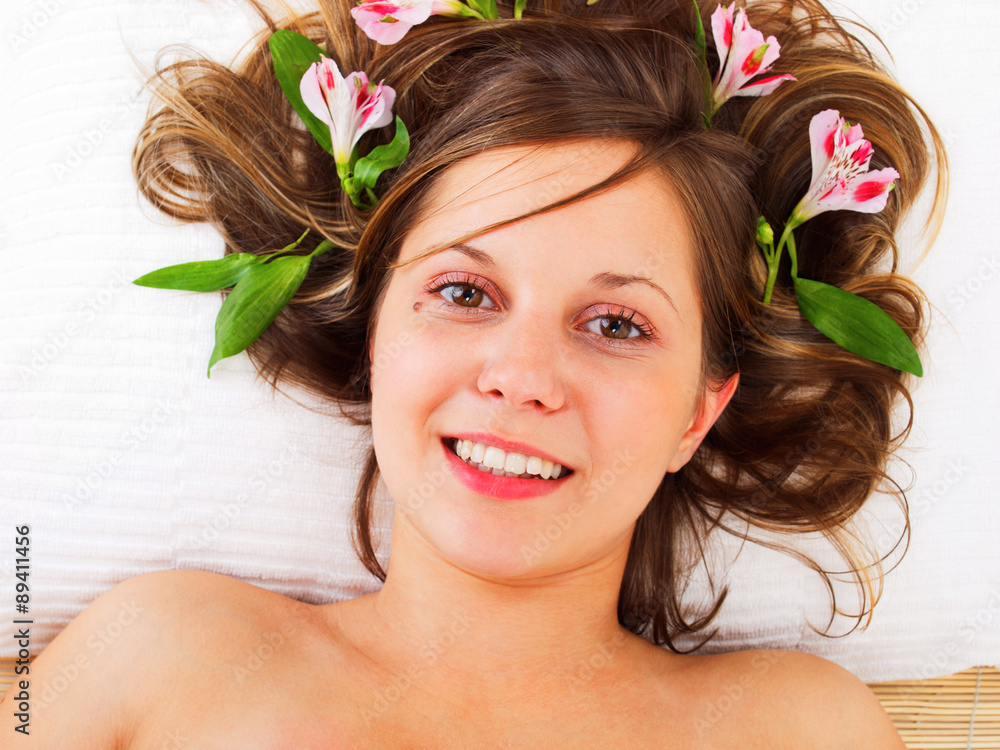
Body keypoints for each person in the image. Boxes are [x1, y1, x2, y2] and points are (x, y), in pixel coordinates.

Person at [1, 0, 945, 746]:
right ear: (378, 331)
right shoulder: (165, 653)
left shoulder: (794, 731)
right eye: (464, 293)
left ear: (701, 410)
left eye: (616, 323)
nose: (521, 376)